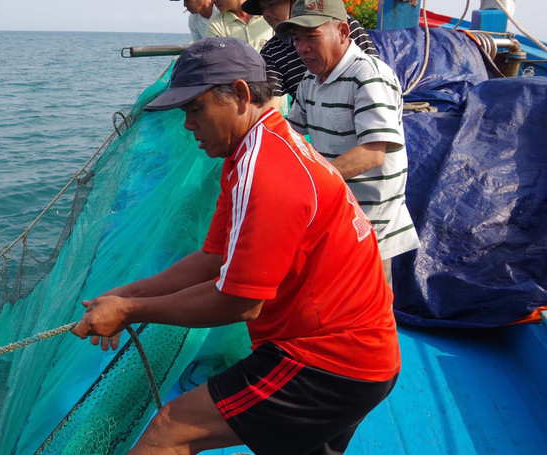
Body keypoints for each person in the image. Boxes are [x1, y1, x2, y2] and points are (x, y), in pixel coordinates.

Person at [72, 37, 400, 455]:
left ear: (241, 95)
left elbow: (240, 303)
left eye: (195, 109)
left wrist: (132, 312)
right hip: (363, 352)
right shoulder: (252, 151)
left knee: (170, 432)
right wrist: (125, 294)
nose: (188, 125)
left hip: (328, 361)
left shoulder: (267, 173)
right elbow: (212, 260)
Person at [281, 0, 419, 284]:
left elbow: (372, 153)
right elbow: (288, 135)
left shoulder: (368, 75)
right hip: (334, 212)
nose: (302, 48)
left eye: (311, 36)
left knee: (370, 312)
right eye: (296, 39)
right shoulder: (310, 80)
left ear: (343, 32)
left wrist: (310, 183)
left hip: (370, 221)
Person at [241, 0, 378, 100]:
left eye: (272, 5)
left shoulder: (342, 24)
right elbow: (271, 102)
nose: (266, 14)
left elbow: (374, 76)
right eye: (263, 8)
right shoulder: (272, 51)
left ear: (295, 1)